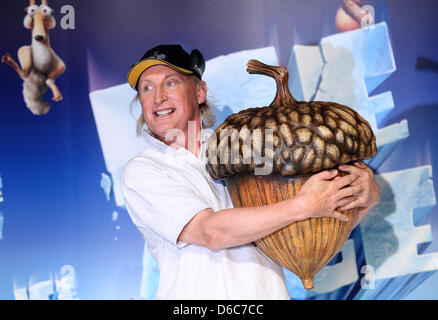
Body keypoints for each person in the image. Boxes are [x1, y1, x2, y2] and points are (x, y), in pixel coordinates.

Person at [121, 44, 381, 299]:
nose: (158, 97)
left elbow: (305, 229)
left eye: (170, 82)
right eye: (146, 88)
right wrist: (303, 205)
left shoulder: (243, 145)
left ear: (200, 91)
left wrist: (363, 200)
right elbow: (211, 233)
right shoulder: (143, 170)